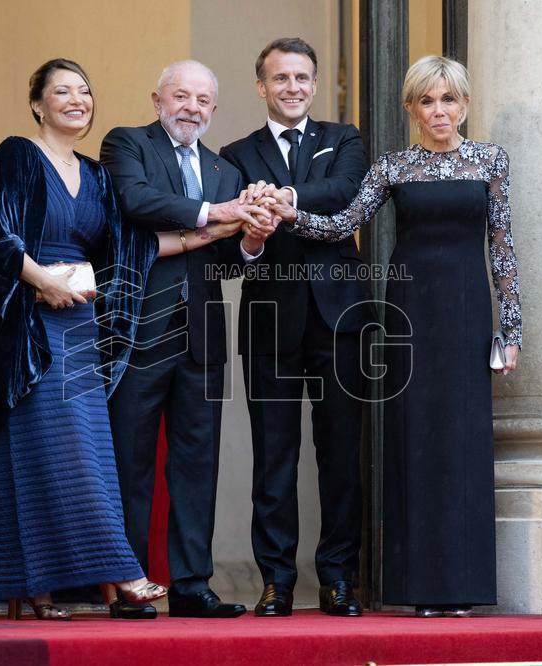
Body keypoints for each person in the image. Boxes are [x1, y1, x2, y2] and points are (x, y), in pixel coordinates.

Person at [0, 58, 245, 621]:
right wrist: (43, 280)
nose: (77, 100)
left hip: (81, 326)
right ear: (38, 104)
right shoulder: (16, 155)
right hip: (30, 322)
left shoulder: (95, 174)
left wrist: (219, 229)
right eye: (63, 91)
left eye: (85, 91)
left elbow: (127, 250)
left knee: (77, 456)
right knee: (52, 452)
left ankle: (44, 592)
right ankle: (122, 573)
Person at [270, 55, 522, 617]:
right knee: (414, 441)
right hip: (408, 313)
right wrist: (291, 212)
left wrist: (511, 329)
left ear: (465, 104)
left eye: (449, 100)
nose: (439, 111)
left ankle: (463, 587)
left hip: (466, 313)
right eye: (427, 101)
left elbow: (502, 249)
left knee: (463, 443)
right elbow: (342, 225)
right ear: (410, 108)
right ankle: (418, 590)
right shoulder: (392, 167)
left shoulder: (491, 161)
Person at [100, 60, 273, 619]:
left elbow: (226, 258)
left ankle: (192, 586)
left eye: (203, 100)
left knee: (198, 464)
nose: (191, 107)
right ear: (157, 100)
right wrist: (216, 215)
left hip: (202, 336)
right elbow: (138, 205)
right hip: (140, 329)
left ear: (213, 110)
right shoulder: (127, 145)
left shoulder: (222, 169)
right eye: (181, 96)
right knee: (132, 461)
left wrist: (250, 238)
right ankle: (127, 583)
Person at [219, 37, 373, 617]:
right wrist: (253, 238)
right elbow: (230, 253)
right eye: (280, 78)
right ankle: (276, 582)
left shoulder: (344, 140)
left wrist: (281, 199)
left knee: (339, 457)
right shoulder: (233, 156)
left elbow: (343, 195)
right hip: (268, 322)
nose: (293, 88)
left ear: (313, 84)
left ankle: (338, 578)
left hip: (340, 320)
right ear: (261, 86)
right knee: (274, 457)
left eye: (302, 78)